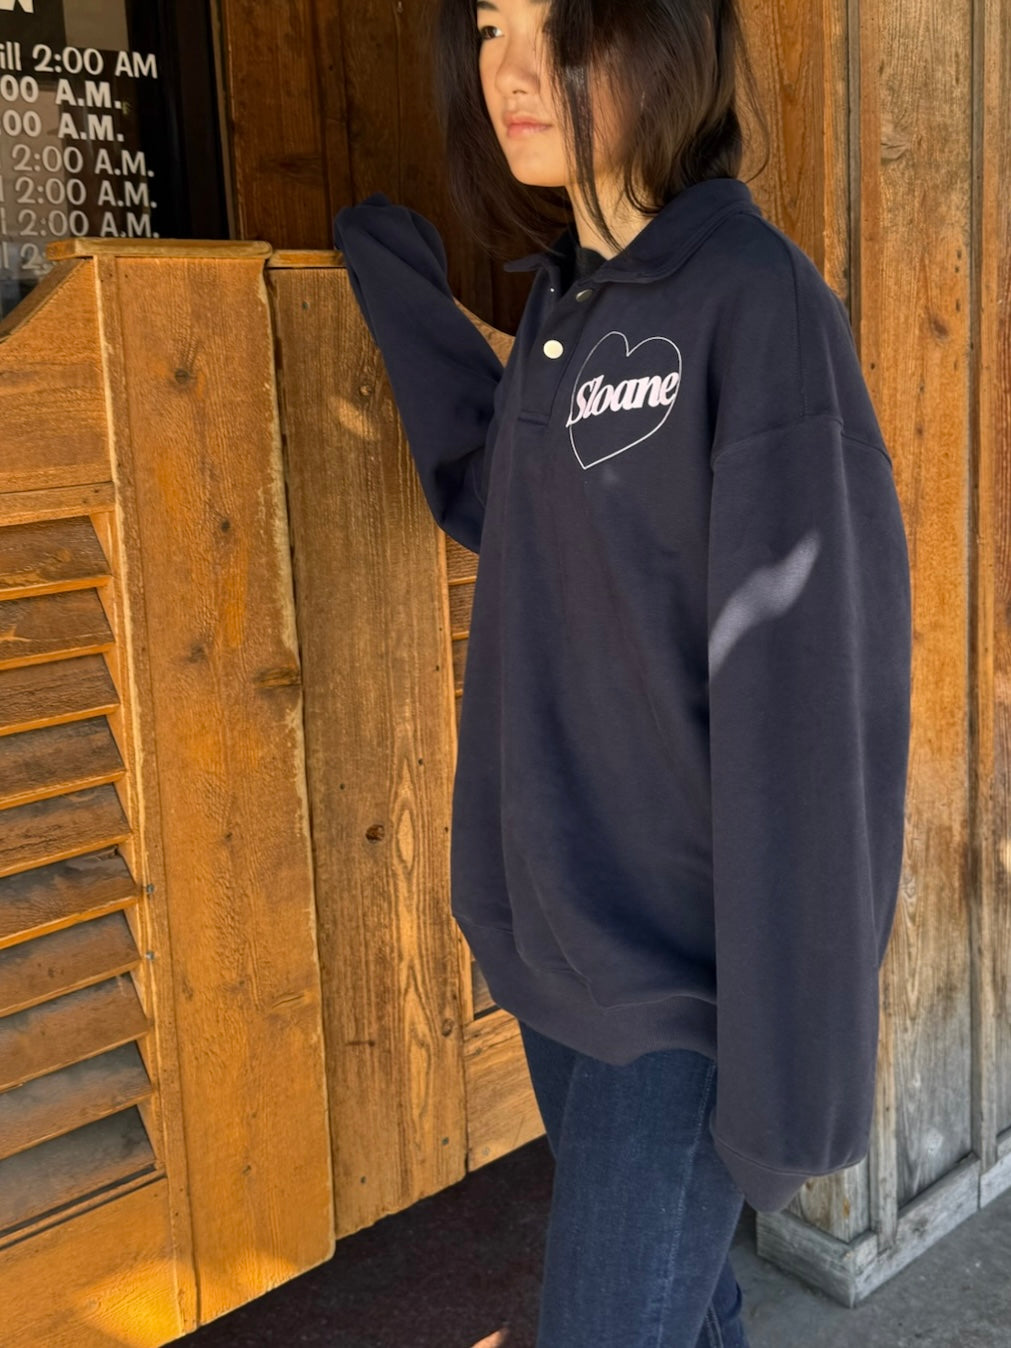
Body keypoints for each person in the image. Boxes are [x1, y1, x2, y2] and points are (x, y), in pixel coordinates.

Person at [332, 0, 912, 1344]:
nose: (514, 69)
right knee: (689, 1314)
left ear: (667, 39)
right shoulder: (568, 301)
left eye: (563, 23)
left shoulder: (756, 306)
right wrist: (398, 286)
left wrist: (792, 1072)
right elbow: (505, 498)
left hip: (687, 990)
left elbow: (816, 700)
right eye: (491, 25)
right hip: (561, 951)